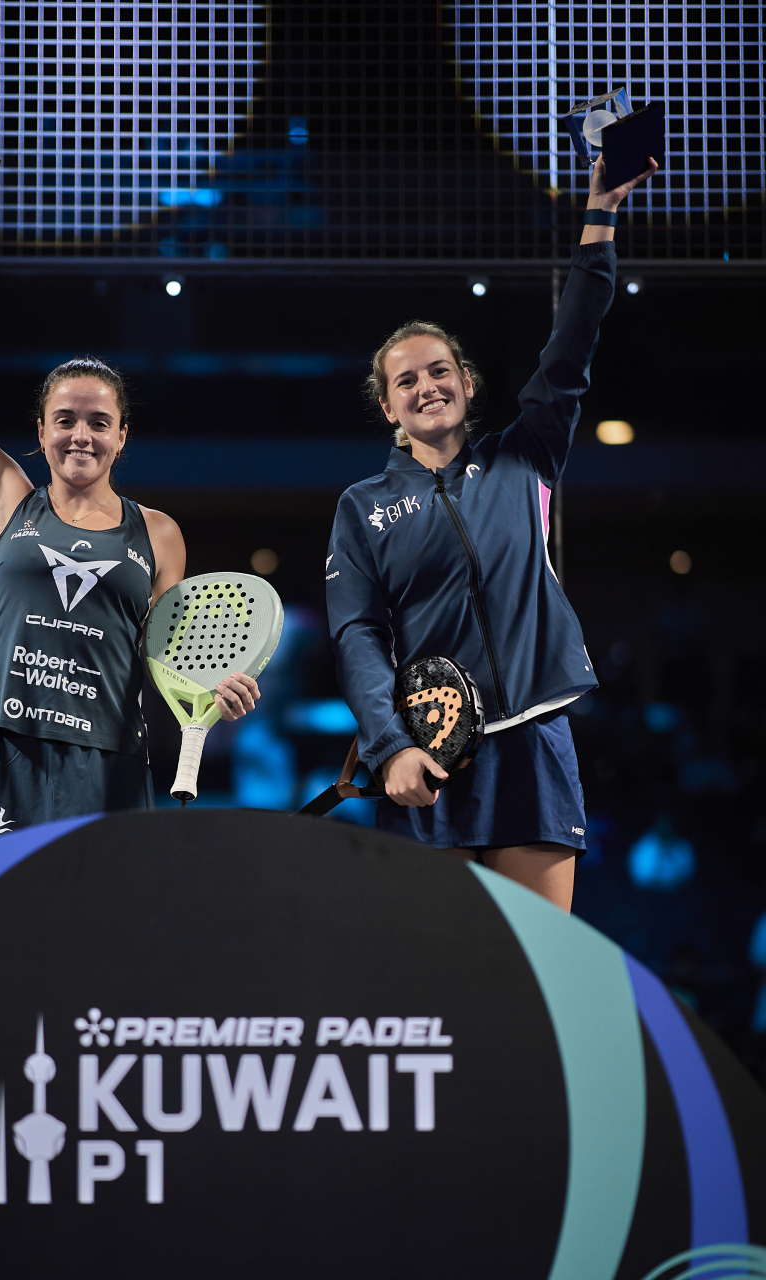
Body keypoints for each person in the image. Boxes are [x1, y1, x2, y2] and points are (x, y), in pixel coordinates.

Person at [326, 155, 657, 912]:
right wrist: (390, 745)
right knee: (443, 981)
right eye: (404, 381)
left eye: (439, 371)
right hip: (431, 750)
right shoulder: (362, 506)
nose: (426, 387)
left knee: (537, 972)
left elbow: (571, 345)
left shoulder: (525, 455)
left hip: (535, 737)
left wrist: (599, 215)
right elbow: (356, 638)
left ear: (467, 383)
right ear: (387, 408)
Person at [0, 204, 260, 848]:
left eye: (99, 423)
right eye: (65, 419)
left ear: (122, 438)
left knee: (98, 943)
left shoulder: (158, 533)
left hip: (108, 763)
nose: (81, 434)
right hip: (3, 751)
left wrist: (218, 685)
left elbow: (171, 658)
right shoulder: (5, 500)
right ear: (40, 431)